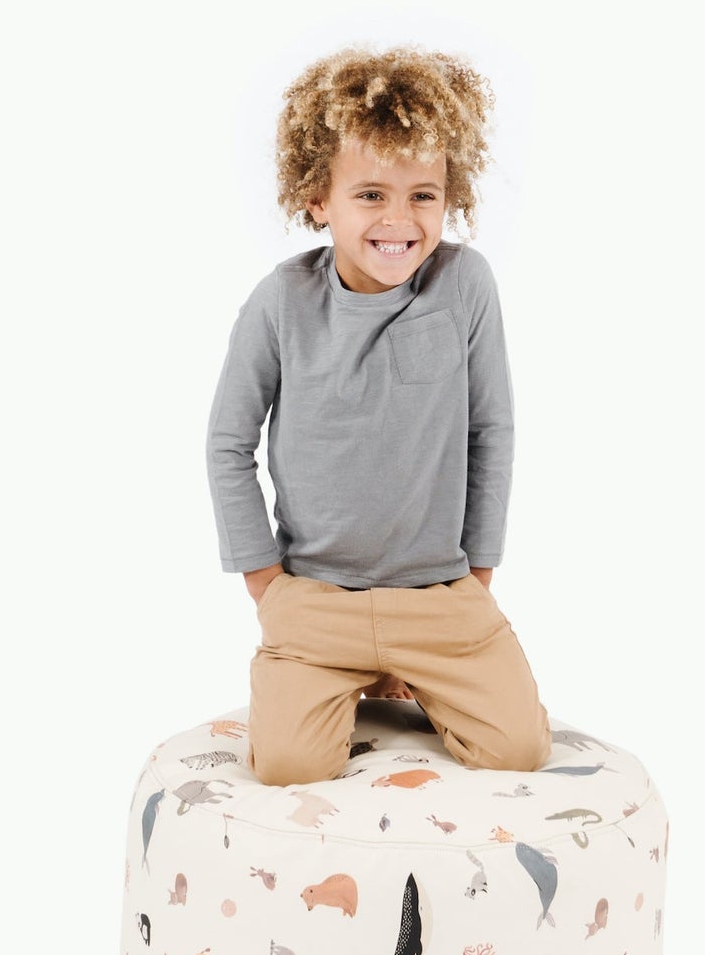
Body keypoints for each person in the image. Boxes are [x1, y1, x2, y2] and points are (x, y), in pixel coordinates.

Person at [205, 43, 551, 786]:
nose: (400, 219)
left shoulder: (465, 285)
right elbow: (228, 444)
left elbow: (491, 432)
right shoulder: (281, 302)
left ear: (449, 195)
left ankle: (410, 674)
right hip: (316, 599)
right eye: (370, 195)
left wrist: (479, 578)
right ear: (317, 198)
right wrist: (268, 584)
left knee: (519, 748)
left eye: (423, 194)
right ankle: (340, 676)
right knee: (291, 766)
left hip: (439, 596)